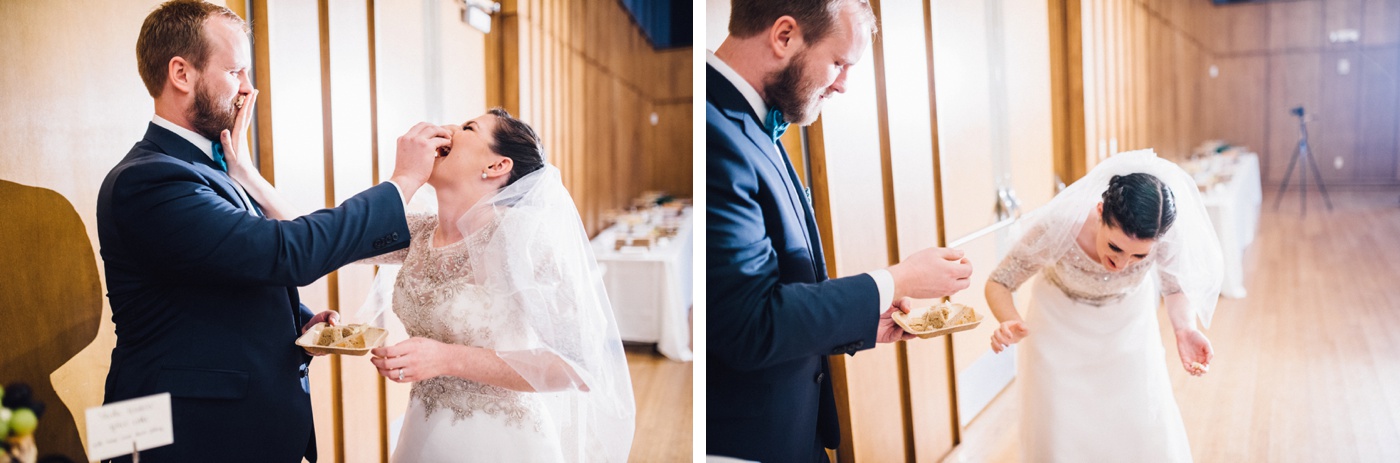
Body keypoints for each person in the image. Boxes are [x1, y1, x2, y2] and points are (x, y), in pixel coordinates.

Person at [96, 1, 443, 461]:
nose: (247, 88)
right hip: (182, 435)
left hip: (230, 426)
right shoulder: (148, 179)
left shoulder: (205, 168)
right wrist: (400, 185)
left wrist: (295, 322)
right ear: (181, 73)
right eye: (236, 71)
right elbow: (284, 252)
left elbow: (217, 272)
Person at [228, 108, 635, 462]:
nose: (449, 131)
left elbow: (578, 367)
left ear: (496, 166)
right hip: (425, 433)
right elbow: (314, 237)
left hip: (500, 442)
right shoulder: (417, 232)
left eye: (469, 128)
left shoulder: (522, 241)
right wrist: (245, 171)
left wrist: (446, 359)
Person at [706, 1, 975, 461]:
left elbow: (778, 291)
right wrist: (898, 279)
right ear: (784, 36)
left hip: (795, 429)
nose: (844, 84)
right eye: (839, 62)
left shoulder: (753, 120)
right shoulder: (714, 131)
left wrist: (867, 318)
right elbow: (750, 323)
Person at [984, 149, 1223, 462]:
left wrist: (1184, 328)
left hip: (1127, 324)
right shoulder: (1061, 224)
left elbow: (1175, 288)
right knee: (1061, 423)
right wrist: (1010, 320)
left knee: (1137, 418)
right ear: (1100, 211)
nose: (1122, 264)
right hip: (1058, 325)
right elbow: (999, 282)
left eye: (1138, 256)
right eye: (1115, 247)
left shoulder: (1163, 234)